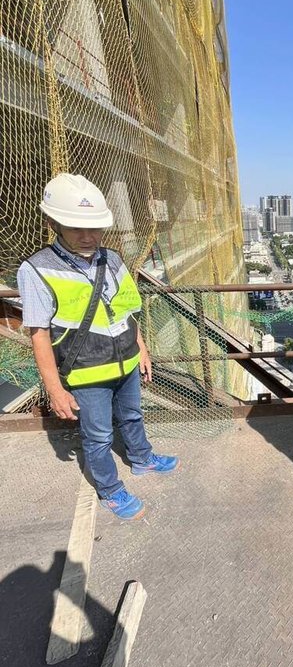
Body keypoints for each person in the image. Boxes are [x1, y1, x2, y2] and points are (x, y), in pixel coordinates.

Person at [17, 173, 179, 521]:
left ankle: (141, 458)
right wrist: (55, 390)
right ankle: (110, 489)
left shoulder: (114, 259)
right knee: (99, 434)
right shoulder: (37, 270)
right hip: (86, 371)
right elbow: (39, 333)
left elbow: (125, 311)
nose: (88, 237)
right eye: (77, 228)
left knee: (134, 415)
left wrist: (142, 348)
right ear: (53, 223)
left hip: (126, 360)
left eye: (95, 229)